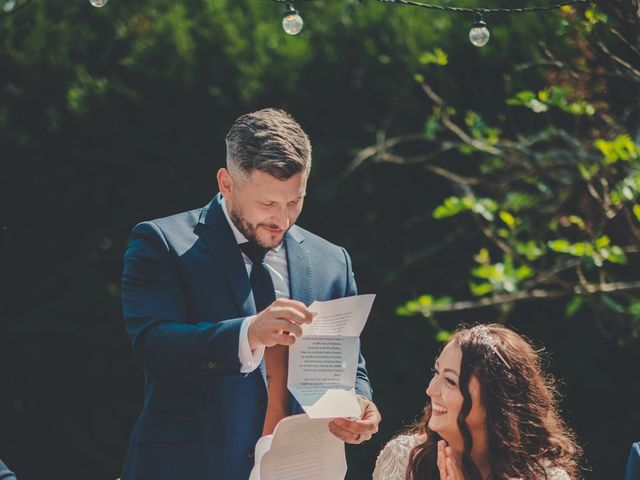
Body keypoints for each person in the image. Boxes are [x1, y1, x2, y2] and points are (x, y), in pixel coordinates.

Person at [120, 108, 381, 480]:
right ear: (226, 183)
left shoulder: (332, 261)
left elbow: (349, 360)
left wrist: (358, 401)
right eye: (267, 204)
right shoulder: (163, 242)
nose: (282, 219)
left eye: (295, 202)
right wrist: (249, 333)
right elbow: (154, 345)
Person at [373, 324, 581, 480]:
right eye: (436, 373)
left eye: (450, 381)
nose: (431, 390)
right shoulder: (402, 459)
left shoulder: (547, 476)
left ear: (496, 402)